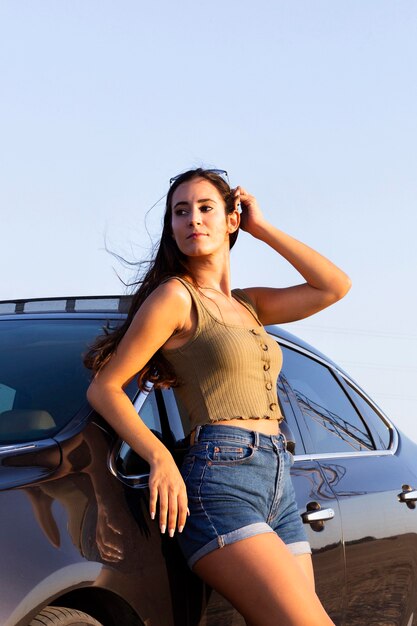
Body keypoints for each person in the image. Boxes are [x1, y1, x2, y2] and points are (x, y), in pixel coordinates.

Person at [85, 168, 351, 626]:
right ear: (171, 228)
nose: (193, 220)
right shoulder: (175, 298)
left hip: (278, 482)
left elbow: (333, 286)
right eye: (180, 212)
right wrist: (159, 457)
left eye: (206, 208)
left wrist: (262, 227)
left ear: (232, 219)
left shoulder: (249, 305)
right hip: (220, 480)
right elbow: (105, 386)